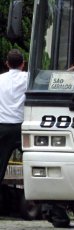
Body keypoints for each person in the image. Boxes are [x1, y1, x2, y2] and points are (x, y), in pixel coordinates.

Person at [0, 50, 28, 189]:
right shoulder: (28, 78)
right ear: (23, 64)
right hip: (21, 127)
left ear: (7, 64)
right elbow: (52, 80)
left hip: (2, 128)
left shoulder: (0, 79)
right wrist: (73, 68)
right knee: (33, 160)